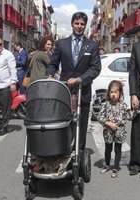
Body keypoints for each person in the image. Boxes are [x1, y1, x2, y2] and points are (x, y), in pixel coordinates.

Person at [46, 11, 101, 150]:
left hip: (83, 90)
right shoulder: (61, 44)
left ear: (85, 25)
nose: (79, 26)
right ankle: (64, 150)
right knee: (64, 120)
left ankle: (79, 153)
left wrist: (79, 79)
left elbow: (95, 68)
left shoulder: (92, 45)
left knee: (81, 123)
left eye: (82, 24)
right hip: (64, 90)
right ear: (72, 24)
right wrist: (50, 76)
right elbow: (53, 64)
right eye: (77, 23)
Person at [97, 80, 136, 178]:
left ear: (120, 93)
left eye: (116, 92)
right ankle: (107, 164)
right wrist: (108, 123)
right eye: (111, 92)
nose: (113, 95)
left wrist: (134, 110)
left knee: (118, 150)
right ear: (108, 93)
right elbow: (100, 117)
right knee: (108, 149)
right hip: (108, 132)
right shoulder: (105, 104)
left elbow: (129, 116)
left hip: (119, 132)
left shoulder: (123, 106)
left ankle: (116, 167)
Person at [128, 41, 140, 178]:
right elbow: (132, 72)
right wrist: (133, 94)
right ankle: (136, 164)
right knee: (137, 129)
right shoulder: (137, 47)